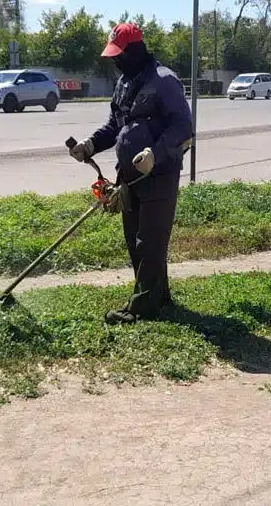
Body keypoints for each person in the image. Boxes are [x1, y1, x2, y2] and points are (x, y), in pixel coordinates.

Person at [68, 22, 193, 324]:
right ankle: (159, 297)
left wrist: (155, 153)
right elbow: (115, 125)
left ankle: (142, 309)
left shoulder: (164, 82)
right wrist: (91, 144)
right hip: (129, 177)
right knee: (134, 241)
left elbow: (183, 127)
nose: (115, 61)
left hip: (159, 176)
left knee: (149, 243)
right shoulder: (125, 82)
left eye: (119, 55)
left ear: (135, 51)